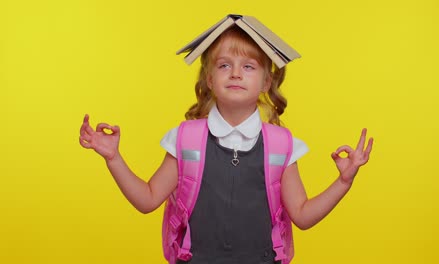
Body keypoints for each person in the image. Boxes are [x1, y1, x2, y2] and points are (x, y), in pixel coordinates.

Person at [79, 23, 373, 264]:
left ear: (266, 83)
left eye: (248, 66)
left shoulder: (283, 146)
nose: (235, 73)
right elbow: (147, 200)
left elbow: (303, 216)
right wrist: (113, 157)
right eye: (224, 65)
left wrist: (343, 182)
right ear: (209, 78)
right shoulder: (185, 139)